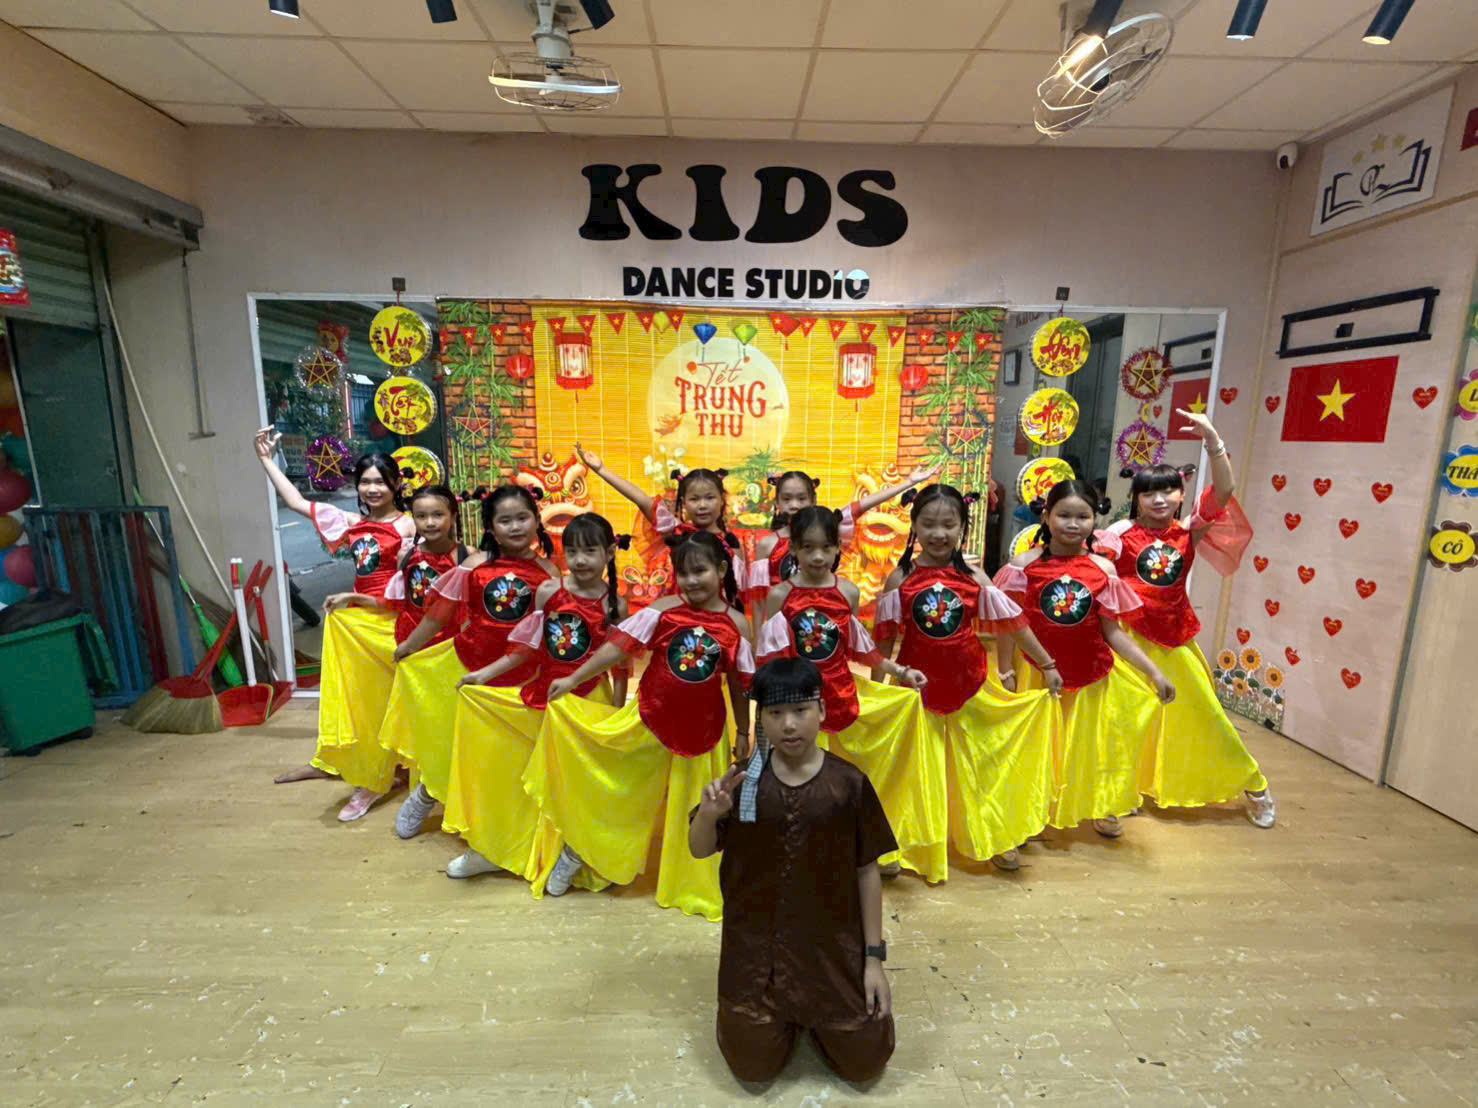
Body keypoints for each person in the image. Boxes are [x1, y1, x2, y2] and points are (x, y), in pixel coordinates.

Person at [689, 657, 896, 1085]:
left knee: (865, 1061)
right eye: (775, 712)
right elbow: (699, 848)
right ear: (760, 719)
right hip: (755, 954)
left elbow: (866, 872)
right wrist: (708, 814)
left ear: (821, 710)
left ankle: (814, 1019)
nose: (788, 725)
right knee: (752, 1067)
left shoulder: (848, 785)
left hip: (832, 949)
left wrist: (873, 961)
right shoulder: (744, 783)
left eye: (800, 710)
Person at [525, 531, 753, 919]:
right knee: (620, 789)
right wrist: (575, 678)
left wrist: (744, 731)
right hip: (648, 716)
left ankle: (693, 884)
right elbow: (616, 649)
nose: (691, 581)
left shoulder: (736, 625)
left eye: (700, 571)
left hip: (705, 730)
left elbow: (738, 682)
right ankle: (582, 852)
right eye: (683, 573)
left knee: (698, 807)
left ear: (721, 570)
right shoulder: (662, 611)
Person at [871, 484, 1061, 874]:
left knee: (981, 765)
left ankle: (994, 834)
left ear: (962, 527)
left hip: (971, 684)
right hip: (916, 691)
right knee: (912, 770)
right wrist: (877, 693)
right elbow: (884, 641)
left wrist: (1047, 664)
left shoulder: (974, 576)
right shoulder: (899, 579)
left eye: (948, 525)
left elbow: (1015, 624)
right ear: (914, 525)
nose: (938, 534)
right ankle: (899, 844)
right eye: (928, 524)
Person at [1102, 409, 1273, 827]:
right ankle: (1119, 795)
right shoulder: (1118, 534)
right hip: (1128, 642)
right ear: (1137, 498)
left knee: (1205, 716)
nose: (1159, 500)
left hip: (1175, 639)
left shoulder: (1189, 532)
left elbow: (1225, 489)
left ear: (1181, 495)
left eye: (1168, 491)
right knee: (1123, 720)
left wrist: (1212, 438)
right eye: (1149, 493)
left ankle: (1254, 785)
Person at [440, 512, 630, 887]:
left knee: (575, 783)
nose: (580, 560)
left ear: (609, 553)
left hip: (589, 701)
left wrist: (616, 710)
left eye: (590, 551)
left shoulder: (617, 605)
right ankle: (497, 847)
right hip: (543, 695)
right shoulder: (548, 591)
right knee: (517, 771)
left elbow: (620, 663)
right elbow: (526, 648)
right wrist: (484, 675)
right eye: (572, 552)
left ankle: (574, 855)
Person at [994, 479, 1175, 839]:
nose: (1073, 524)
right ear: (1046, 516)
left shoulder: (1104, 570)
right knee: (1037, 747)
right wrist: (1004, 669)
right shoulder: (1022, 567)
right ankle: (1029, 811)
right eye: (1064, 515)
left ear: (1095, 520)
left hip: (1092, 675)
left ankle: (1100, 803)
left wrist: (1154, 672)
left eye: (1083, 516)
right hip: (1037, 676)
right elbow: (1009, 625)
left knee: (1094, 747)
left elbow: (1113, 632)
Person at [252, 426, 415, 821]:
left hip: (394, 623)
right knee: (359, 702)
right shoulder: (350, 523)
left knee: (392, 703)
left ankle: (386, 773)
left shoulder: (409, 525)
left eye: (380, 482)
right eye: (365, 482)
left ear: (396, 485)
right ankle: (357, 768)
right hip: (356, 626)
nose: (372, 489)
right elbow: (296, 502)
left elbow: (419, 579)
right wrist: (266, 461)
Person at [755, 505, 927, 873]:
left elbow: (862, 648)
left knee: (843, 781)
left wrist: (901, 670)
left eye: (826, 547)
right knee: (799, 782)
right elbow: (771, 658)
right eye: (807, 548)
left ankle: (856, 848)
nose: (818, 557)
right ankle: (801, 854)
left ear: (838, 548)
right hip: (798, 708)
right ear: (794, 549)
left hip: (842, 698)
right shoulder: (780, 595)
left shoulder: (847, 592)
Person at [382, 485, 558, 844]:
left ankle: (501, 827)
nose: (515, 527)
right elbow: (438, 614)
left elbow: (550, 631)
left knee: (502, 755)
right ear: (490, 527)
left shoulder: (550, 572)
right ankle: (430, 790)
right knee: (450, 738)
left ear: (536, 521)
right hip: (464, 665)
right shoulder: (475, 565)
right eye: (505, 520)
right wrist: (410, 647)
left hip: (520, 677)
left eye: (522, 518)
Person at [746, 464, 939, 616]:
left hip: (825, 619)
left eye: (801, 498)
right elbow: (758, 600)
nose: (794, 505)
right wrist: (758, 643)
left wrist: (908, 482)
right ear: (777, 502)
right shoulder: (767, 545)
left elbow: (863, 504)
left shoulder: (830, 527)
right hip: (784, 626)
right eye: (787, 499)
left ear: (813, 500)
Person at [575, 445, 746, 603]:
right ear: (683, 502)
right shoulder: (678, 532)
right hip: (677, 616)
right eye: (694, 499)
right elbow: (641, 499)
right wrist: (601, 469)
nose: (702, 505)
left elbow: (735, 594)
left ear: (722, 499)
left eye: (710, 498)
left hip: (716, 619)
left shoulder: (731, 544)